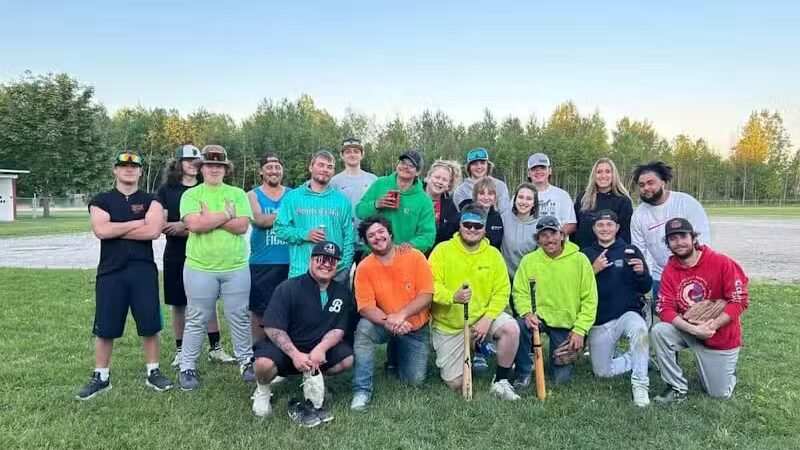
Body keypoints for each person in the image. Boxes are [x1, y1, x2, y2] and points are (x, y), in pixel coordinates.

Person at [77, 150, 173, 400]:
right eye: (122, 166)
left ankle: (153, 372)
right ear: (115, 170)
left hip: (142, 270)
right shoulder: (102, 200)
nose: (128, 170)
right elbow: (100, 230)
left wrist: (116, 228)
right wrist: (136, 222)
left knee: (149, 324)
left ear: (140, 171)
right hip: (111, 272)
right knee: (105, 326)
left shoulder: (152, 199)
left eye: (133, 167)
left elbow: (153, 231)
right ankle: (101, 376)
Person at [251, 241, 354, 426]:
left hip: (316, 351)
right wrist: (295, 354)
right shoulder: (288, 288)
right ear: (311, 261)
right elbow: (272, 327)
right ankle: (263, 390)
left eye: (332, 261)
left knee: (346, 359)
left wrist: (321, 349)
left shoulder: (342, 292)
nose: (327, 264)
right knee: (263, 364)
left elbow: (339, 328)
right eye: (321, 259)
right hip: (287, 350)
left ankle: (313, 379)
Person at [178, 145, 255, 390]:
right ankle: (187, 366)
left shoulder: (238, 193)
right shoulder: (190, 195)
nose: (213, 169)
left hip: (235, 266)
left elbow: (242, 226)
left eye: (218, 165)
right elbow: (195, 226)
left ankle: (246, 361)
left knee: (240, 316)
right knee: (197, 317)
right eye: (209, 165)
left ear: (225, 169)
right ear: (201, 168)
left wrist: (210, 218)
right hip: (200, 266)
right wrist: (225, 215)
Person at [428, 204, 521, 401]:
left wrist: (488, 318)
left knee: (511, 328)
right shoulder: (442, 251)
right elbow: (430, 285)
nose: (472, 230)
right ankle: (469, 347)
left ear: (484, 229)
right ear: (460, 226)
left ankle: (501, 380)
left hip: (482, 319)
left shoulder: (494, 255)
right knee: (455, 383)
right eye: (467, 225)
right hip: (450, 324)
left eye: (477, 226)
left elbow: (502, 290)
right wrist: (452, 296)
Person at [651, 218, 749, 402]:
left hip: (719, 334)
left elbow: (739, 300)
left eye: (683, 236)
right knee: (660, 331)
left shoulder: (721, 262)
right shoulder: (670, 270)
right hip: (690, 330)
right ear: (668, 244)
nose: (679, 242)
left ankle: (727, 374)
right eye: (672, 239)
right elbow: (665, 308)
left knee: (718, 394)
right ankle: (676, 386)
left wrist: (712, 325)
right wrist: (694, 330)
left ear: (694, 238)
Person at [157, 144, 235, 368]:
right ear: (177, 163)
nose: (193, 164)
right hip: (176, 253)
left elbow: (218, 222)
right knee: (179, 304)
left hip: (205, 251)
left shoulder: (206, 188)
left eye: (196, 160)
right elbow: (162, 225)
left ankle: (215, 348)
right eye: (188, 160)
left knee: (208, 302)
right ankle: (181, 350)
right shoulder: (166, 190)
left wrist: (187, 225)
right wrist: (195, 224)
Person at [350, 216, 433, 411]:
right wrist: (390, 321)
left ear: (390, 233)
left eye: (381, 232)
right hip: (384, 323)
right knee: (363, 330)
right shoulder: (364, 267)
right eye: (371, 235)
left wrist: (402, 315)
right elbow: (365, 306)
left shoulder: (415, 257)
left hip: (414, 326)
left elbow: (426, 295)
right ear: (366, 242)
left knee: (414, 381)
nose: (377, 237)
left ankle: (395, 354)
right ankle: (362, 390)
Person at [512, 215, 598, 386]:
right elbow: (519, 292)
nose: (549, 239)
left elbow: (590, 299)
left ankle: (567, 355)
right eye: (544, 235)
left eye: (553, 233)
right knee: (518, 326)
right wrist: (527, 312)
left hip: (566, 322)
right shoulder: (529, 261)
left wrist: (580, 330)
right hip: (539, 317)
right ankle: (523, 371)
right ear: (538, 239)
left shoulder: (580, 260)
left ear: (561, 235)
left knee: (561, 379)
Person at [581, 210, 652, 407]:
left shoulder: (630, 251)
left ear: (617, 228)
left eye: (609, 225)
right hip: (600, 320)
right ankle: (637, 358)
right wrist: (593, 270)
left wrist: (641, 273)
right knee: (603, 373)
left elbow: (645, 286)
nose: (605, 229)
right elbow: (577, 290)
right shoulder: (585, 254)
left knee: (639, 329)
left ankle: (640, 385)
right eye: (600, 225)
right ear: (594, 228)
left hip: (627, 315)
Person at [630, 161, 711, 302]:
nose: (646, 188)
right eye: (642, 185)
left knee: (696, 317)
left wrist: (699, 272)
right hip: (660, 276)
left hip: (692, 274)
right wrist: (643, 276)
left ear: (662, 182)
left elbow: (703, 241)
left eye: (651, 183)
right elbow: (639, 251)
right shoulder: (639, 215)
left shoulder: (686, 202)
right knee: (665, 319)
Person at [274, 150, 355, 282]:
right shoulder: (293, 197)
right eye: (321, 165)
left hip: (334, 273)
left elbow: (349, 238)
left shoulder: (342, 201)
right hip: (301, 272)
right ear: (311, 167)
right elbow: (279, 229)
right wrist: (305, 234)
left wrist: (344, 266)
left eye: (330, 167)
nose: (325, 170)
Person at [356, 150, 436, 254]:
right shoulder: (380, 184)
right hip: (372, 254)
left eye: (411, 165)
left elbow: (428, 236)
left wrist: (413, 244)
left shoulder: (424, 200)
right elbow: (360, 211)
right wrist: (377, 205)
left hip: (402, 257)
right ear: (397, 165)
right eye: (403, 163)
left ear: (418, 172)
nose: (405, 167)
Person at [248, 153, 291, 342]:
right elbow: (259, 220)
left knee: (289, 308)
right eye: (269, 167)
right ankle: (257, 351)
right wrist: (287, 217)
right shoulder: (252, 195)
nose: (274, 171)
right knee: (259, 311)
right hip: (262, 262)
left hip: (290, 260)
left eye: (277, 167)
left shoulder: (293, 194)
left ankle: (286, 351)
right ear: (261, 171)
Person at [329, 138, 378, 262]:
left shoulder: (373, 180)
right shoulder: (334, 182)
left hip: (369, 241)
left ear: (361, 155)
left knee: (366, 279)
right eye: (348, 151)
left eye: (356, 151)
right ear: (342, 155)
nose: (352, 154)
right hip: (343, 241)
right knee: (340, 279)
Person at [573, 158, 633, 250]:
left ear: (613, 175)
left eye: (608, 171)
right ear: (594, 175)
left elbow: (625, 235)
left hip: (609, 257)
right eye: (599, 172)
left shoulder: (623, 201)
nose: (603, 175)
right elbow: (575, 229)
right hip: (583, 255)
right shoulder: (583, 198)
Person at [527, 153, 577, 236]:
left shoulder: (562, 195)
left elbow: (571, 224)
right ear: (529, 173)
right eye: (534, 169)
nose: (538, 171)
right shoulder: (521, 197)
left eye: (543, 168)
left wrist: (556, 237)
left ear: (550, 170)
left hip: (555, 245)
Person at [501, 182, 540, 283]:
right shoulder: (503, 219)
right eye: (521, 197)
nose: (524, 202)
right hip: (505, 279)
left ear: (534, 203)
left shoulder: (539, 226)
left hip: (529, 279)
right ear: (514, 200)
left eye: (529, 199)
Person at [452, 148, 511, 214]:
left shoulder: (500, 186)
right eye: (474, 164)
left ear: (488, 165)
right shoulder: (461, 191)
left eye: (482, 163)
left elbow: (504, 212)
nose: (479, 166)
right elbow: (464, 214)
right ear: (469, 167)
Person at [424, 159, 462, 250]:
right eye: (437, 177)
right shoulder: (412, 195)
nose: (440, 182)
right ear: (428, 177)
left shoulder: (450, 207)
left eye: (445, 180)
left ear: (449, 185)